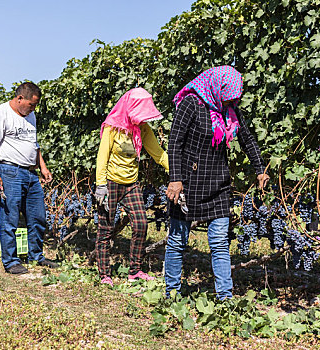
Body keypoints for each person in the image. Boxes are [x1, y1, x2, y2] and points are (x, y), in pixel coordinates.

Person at [165, 66, 269, 300]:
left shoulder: (229, 109)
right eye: (228, 96)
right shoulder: (190, 103)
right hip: (188, 184)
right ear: (217, 87)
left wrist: (260, 170)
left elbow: (247, 139)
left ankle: (225, 297)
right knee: (177, 240)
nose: (231, 101)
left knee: (220, 243)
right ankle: (171, 293)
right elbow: (174, 143)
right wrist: (175, 179)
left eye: (235, 98)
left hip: (218, 184)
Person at [95, 87, 169, 286]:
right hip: (110, 183)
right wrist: (100, 185)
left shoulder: (142, 129)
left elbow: (158, 153)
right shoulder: (113, 127)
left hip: (131, 184)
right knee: (105, 228)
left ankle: (134, 271)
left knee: (141, 224)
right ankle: (104, 274)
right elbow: (102, 156)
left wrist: (176, 171)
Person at [0, 82, 57, 275]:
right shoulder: (0, 113)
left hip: (30, 173)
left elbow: (34, 143)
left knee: (38, 216)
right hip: (9, 171)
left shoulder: (30, 116)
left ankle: (36, 256)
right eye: (31, 104)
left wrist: (42, 166)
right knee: (11, 217)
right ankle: (10, 261)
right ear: (20, 99)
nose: (33, 109)